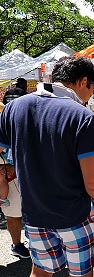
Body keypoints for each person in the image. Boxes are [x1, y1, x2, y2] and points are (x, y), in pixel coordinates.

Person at [0, 56, 94, 276]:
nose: (91, 94)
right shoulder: (84, 118)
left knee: (40, 271)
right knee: (82, 273)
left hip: (34, 214)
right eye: (93, 88)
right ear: (83, 81)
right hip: (75, 215)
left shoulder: (14, 108)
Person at [0, 90, 30, 259]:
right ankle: (17, 244)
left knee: (15, 212)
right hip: (9, 175)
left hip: (17, 173)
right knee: (13, 213)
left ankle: (19, 243)